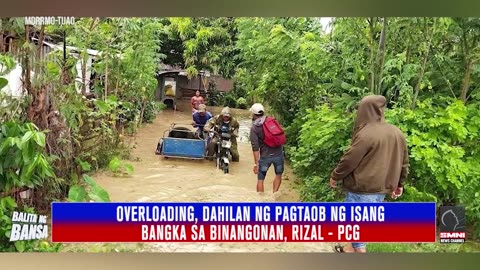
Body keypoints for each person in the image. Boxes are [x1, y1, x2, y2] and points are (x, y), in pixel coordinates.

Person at [329, 95, 409, 253]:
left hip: (362, 189)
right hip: (381, 190)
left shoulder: (366, 134)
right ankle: (347, 250)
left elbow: (349, 160)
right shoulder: (396, 132)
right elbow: (404, 162)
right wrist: (400, 183)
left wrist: (335, 176)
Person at [249, 103, 285, 193]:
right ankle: (274, 196)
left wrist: (256, 164)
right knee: (278, 174)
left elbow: (255, 148)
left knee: (260, 179)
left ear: (253, 114)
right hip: (278, 155)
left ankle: (261, 202)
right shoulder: (272, 120)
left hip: (265, 157)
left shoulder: (254, 128)